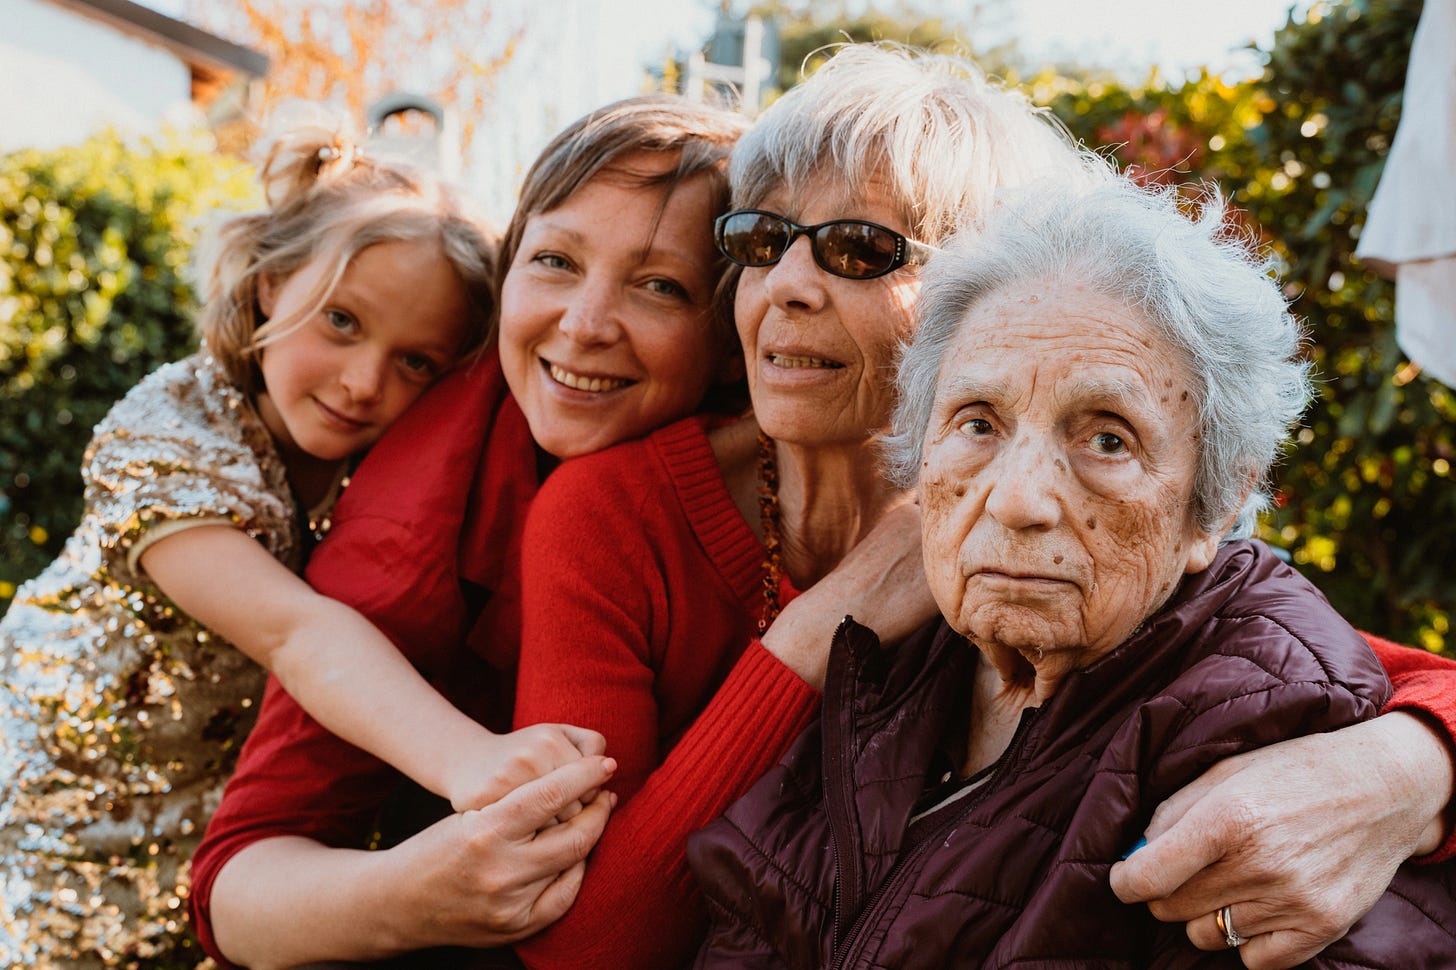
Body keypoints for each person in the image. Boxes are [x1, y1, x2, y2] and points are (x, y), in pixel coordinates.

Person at [195, 47, 1456, 970]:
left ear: (982, 298)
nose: (789, 284)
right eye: (759, 240)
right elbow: (579, 944)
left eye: (858, 251)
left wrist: (1410, 762)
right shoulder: (593, 502)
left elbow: (1317, 664)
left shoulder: (1025, 515)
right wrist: (835, 617)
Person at [688, 174, 1456, 969]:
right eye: (978, 422)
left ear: (1215, 504)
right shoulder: (893, 670)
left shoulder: (1281, 752)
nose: (1019, 501)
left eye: (1108, 439)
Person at [0, 111, 605, 969]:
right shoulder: (167, 440)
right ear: (270, 285)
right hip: (68, 807)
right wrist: (470, 760)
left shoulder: (390, 456)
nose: (364, 383)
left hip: (218, 815)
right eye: (343, 323)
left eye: (418, 362)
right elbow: (296, 631)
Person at [189, 95, 749, 969]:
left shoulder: (789, 461)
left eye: (659, 285)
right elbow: (233, 891)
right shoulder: (421, 515)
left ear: (731, 334)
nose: (586, 324)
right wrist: (412, 894)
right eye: (556, 261)